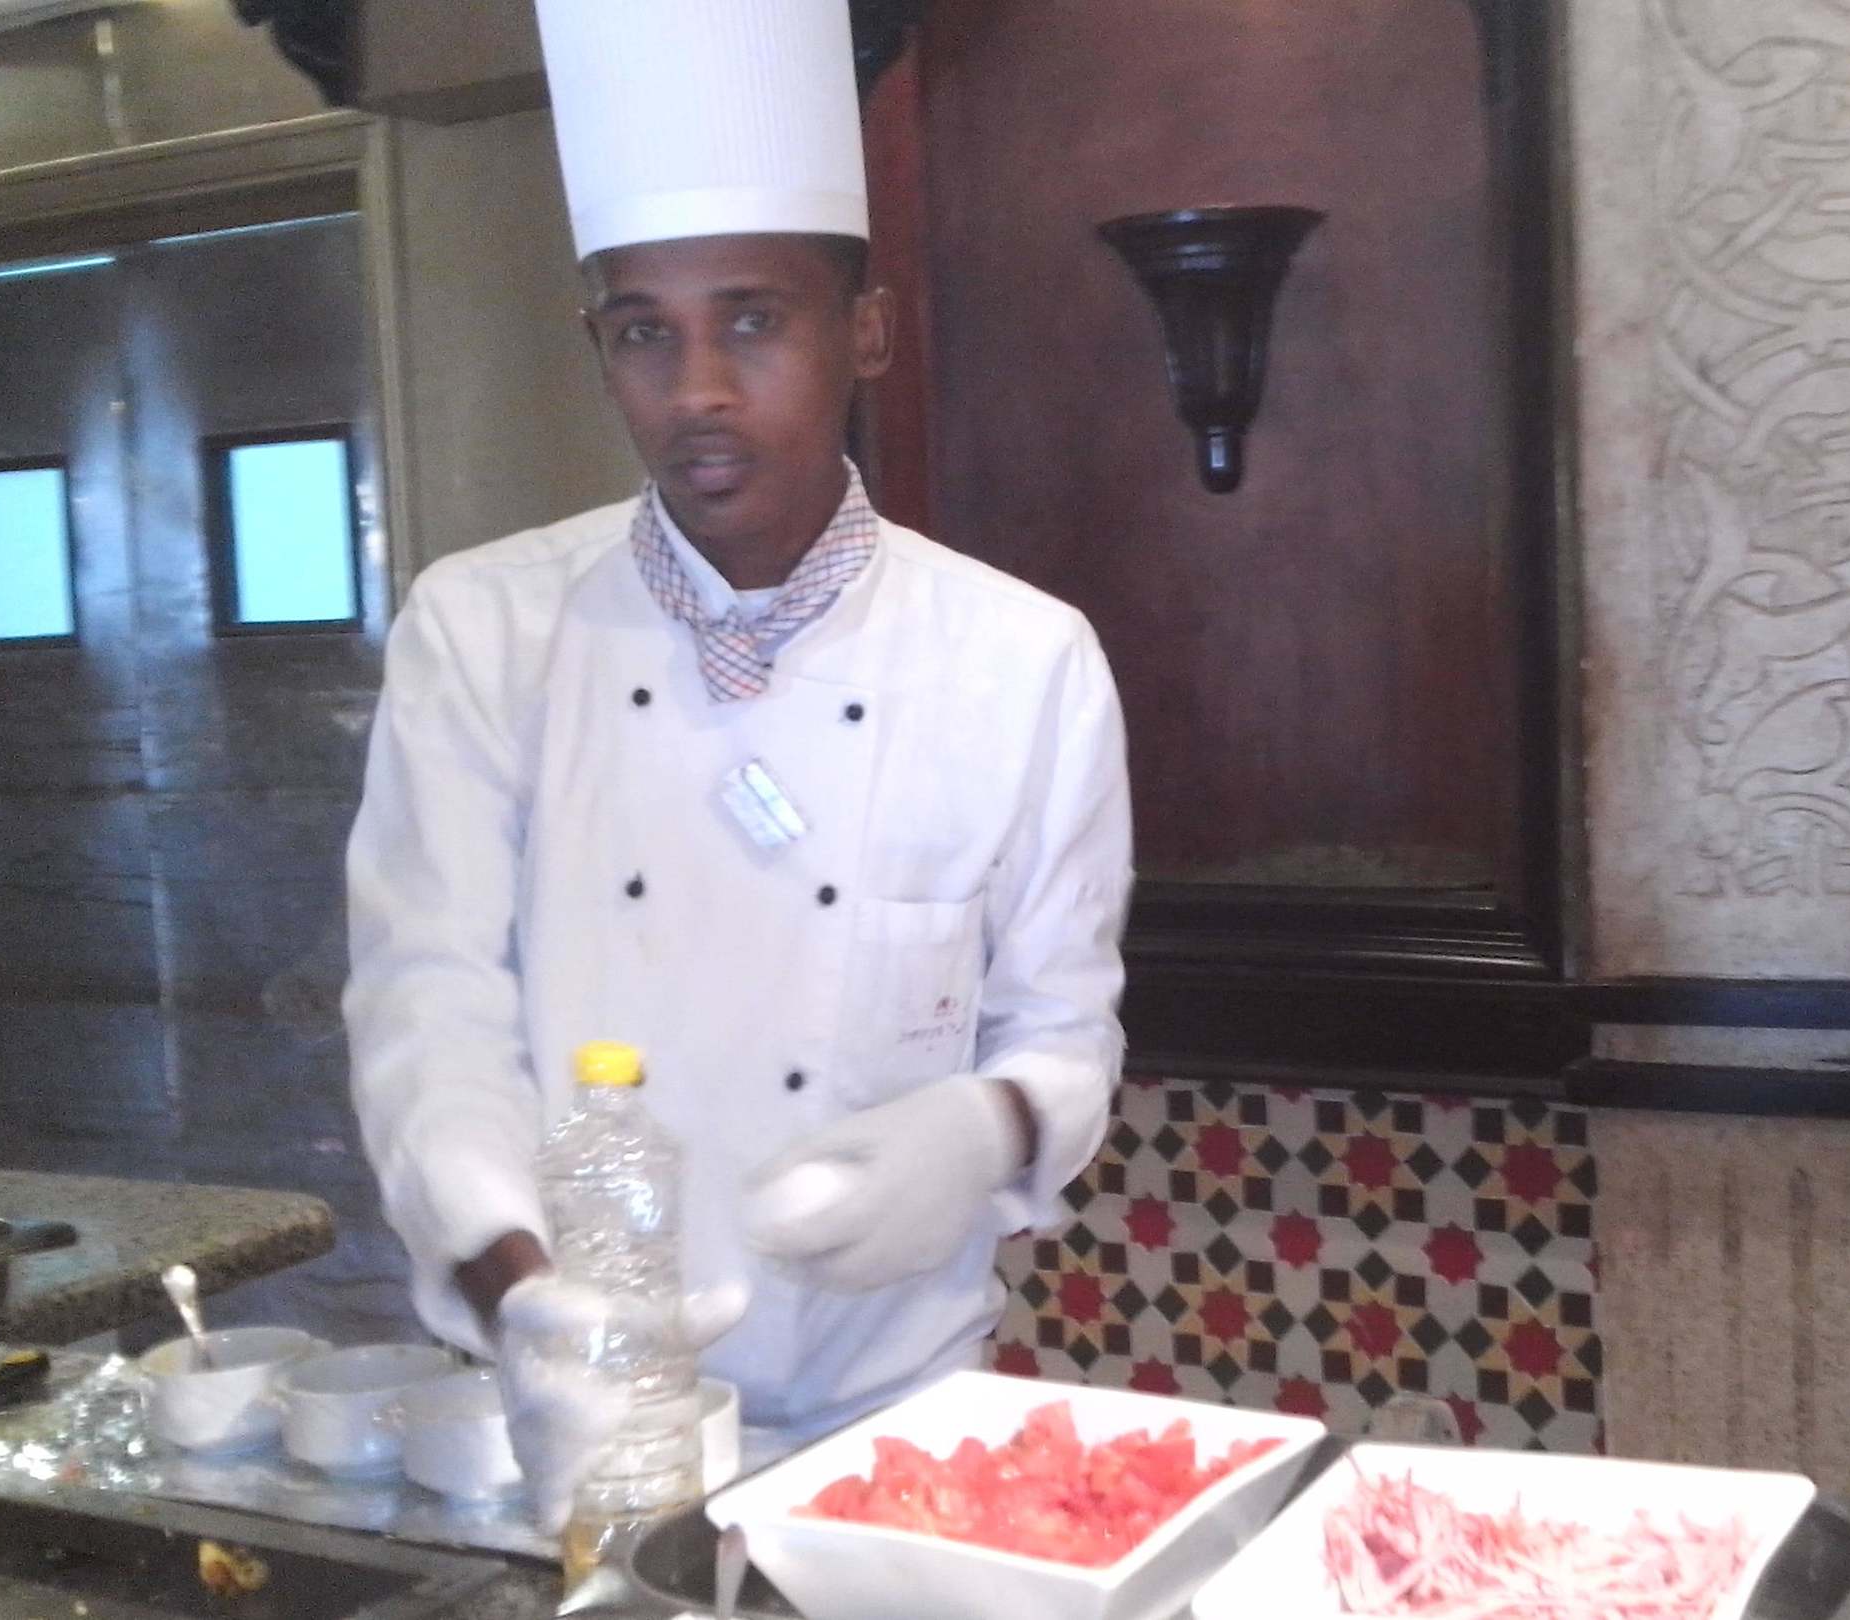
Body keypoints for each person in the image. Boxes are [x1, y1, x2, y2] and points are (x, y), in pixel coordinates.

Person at [342, 0, 1131, 1528]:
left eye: (753, 319)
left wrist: (986, 1127)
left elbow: (1065, 1031)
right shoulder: (482, 631)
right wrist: (524, 1300)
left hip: (900, 1432)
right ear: (598, 345)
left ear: (866, 330)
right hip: (584, 1415)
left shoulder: (1022, 660)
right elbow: (428, 1011)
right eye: (646, 329)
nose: (697, 386)